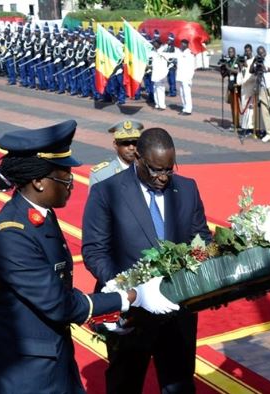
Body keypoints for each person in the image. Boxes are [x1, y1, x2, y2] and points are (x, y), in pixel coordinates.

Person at [0, 120, 178, 394]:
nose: (71, 183)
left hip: (50, 354)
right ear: (39, 182)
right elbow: (58, 302)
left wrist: (108, 311)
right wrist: (130, 297)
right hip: (22, 370)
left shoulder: (40, 215)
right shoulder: (13, 235)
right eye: (64, 175)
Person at [82, 128, 212, 394]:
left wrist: (200, 264)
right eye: (155, 170)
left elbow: (201, 240)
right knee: (125, 383)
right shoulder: (107, 191)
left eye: (169, 170)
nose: (163, 178)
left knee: (180, 384)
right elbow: (95, 251)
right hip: (131, 313)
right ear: (138, 159)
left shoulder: (187, 188)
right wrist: (127, 289)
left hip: (178, 310)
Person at [89, 119, 144, 189]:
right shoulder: (101, 175)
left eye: (135, 143)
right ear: (115, 145)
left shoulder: (147, 170)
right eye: (126, 143)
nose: (131, 147)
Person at [169, 39, 196, 115]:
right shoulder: (179, 52)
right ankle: (184, 108)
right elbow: (171, 55)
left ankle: (188, 110)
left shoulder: (190, 54)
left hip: (186, 77)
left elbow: (192, 67)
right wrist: (161, 54)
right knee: (182, 93)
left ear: (187, 45)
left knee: (187, 94)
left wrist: (189, 78)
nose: (181, 46)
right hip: (180, 76)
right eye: (181, 44)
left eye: (183, 44)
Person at [219, 46, 241, 130]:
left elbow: (239, 71)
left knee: (239, 106)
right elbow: (224, 75)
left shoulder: (238, 60)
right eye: (229, 52)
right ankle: (235, 123)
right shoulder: (228, 62)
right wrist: (223, 68)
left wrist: (228, 68)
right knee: (233, 106)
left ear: (234, 52)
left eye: (231, 52)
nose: (230, 53)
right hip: (231, 86)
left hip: (238, 86)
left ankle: (239, 124)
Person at [236, 44, 256, 135]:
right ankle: (244, 127)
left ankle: (251, 128)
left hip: (252, 87)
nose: (247, 52)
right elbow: (239, 80)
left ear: (251, 50)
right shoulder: (243, 62)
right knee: (244, 108)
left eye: (248, 50)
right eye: (246, 51)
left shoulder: (254, 60)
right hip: (244, 89)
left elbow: (253, 76)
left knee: (251, 109)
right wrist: (240, 68)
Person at [150, 39, 170, 111]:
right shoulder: (154, 51)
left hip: (161, 74)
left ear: (159, 44)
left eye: (155, 43)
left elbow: (169, 59)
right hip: (155, 73)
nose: (153, 44)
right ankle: (157, 104)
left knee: (160, 90)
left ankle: (162, 106)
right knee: (155, 89)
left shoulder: (163, 51)